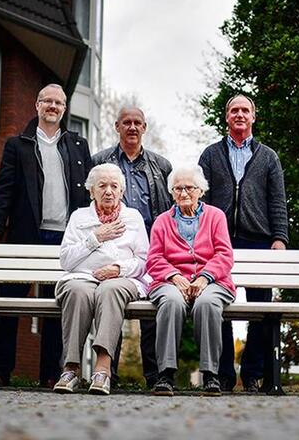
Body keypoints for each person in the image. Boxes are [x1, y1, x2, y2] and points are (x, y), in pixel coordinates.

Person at [0, 83, 92, 387]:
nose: (53, 106)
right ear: (37, 105)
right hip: (25, 235)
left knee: (56, 308)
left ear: (64, 109)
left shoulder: (78, 146)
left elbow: (87, 196)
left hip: (64, 239)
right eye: (47, 101)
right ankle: (0, 371)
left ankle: (50, 374)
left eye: (59, 103)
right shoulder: (18, 145)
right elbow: (3, 189)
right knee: (9, 303)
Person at [198, 94, 288, 392]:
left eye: (245, 110)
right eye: (234, 110)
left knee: (261, 310)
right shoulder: (211, 155)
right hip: (218, 242)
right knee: (217, 307)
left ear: (253, 117)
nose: (239, 114)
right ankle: (223, 374)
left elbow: (277, 201)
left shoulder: (268, 157)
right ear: (226, 117)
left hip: (259, 241)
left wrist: (279, 238)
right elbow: (201, 200)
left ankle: (252, 374)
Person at [91, 106, 172, 387]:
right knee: (110, 305)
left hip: (151, 248)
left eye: (138, 123)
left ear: (145, 127)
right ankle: (108, 374)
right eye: (126, 122)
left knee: (152, 313)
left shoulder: (161, 166)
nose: (132, 127)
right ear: (117, 127)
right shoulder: (100, 162)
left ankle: (154, 376)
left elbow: (168, 209)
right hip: (113, 247)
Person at [53, 164, 149, 395]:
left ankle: (103, 369)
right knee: (77, 291)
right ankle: (70, 369)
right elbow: (66, 260)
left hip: (121, 278)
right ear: (91, 191)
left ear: (121, 191)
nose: (108, 191)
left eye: (114, 186)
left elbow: (144, 261)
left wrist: (118, 268)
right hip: (82, 277)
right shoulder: (79, 217)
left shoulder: (133, 217)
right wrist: (95, 238)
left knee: (109, 290)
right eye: (102, 186)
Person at [147, 165, 235, 397]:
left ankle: (210, 374)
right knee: (171, 302)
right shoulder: (162, 221)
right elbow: (154, 259)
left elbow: (224, 254)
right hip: (171, 282)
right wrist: (175, 276)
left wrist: (205, 277)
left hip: (213, 282)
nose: (183, 193)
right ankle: (166, 374)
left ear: (201, 191)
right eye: (178, 188)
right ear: (171, 192)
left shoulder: (216, 216)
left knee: (207, 303)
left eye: (189, 188)